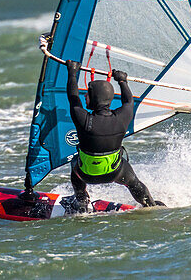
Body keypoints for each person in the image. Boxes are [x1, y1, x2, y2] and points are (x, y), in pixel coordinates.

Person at [64, 58, 164, 212]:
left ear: (95, 98)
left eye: (88, 94)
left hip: (86, 174)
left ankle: (81, 201)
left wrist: (72, 73)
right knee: (134, 183)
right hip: (115, 172)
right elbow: (128, 102)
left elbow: (73, 99)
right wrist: (123, 81)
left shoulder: (83, 118)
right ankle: (150, 205)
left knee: (74, 164)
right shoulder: (123, 117)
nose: (85, 97)